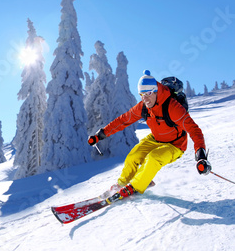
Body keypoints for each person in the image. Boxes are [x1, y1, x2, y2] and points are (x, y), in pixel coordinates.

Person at [87, 70, 211, 201]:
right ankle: (122, 185)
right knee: (133, 156)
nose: (145, 99)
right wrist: (100, 135)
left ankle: (135, 187)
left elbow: (194, 130)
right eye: (142, 95)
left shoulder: (172, 107)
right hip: (156, 139)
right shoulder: (143, 106)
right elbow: (123, 120)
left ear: (156, 91)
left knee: (153, 158)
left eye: (148, 94)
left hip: (175, 145)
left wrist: (201, 155)